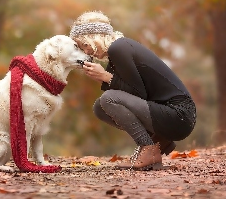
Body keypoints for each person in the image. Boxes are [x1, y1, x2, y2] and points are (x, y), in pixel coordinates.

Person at [69, 11, 196, 171]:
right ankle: (158, 140)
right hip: (171, 114)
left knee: (108, 99)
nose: (86, 52)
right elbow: (132, 93)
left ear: (95, 37)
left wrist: (105, 76)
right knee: (100, 107)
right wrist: (104, 77)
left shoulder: (119, 48)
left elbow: (137, 93)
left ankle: (148, 147)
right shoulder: (117, 51)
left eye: (85, 45)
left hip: (179, 115)